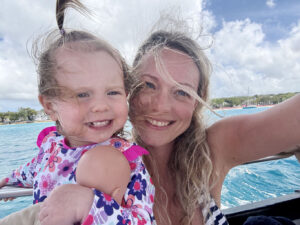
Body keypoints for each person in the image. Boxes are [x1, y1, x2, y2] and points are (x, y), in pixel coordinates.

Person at [37, 25, 300, 225]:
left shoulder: (213, 148)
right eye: (149, 85)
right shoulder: (96, 166)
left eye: (182, 92)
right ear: (129, 91)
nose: (161, 106)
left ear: (196, 104)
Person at [0, 0, 154, 224]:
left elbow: (143, 219)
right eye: (82, 94)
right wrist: (10, 179)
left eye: (112, 92)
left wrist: (89, 204)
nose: (101, 106)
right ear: (50, 106)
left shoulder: (127, 161)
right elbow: (35, 169)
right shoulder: (51, 146)